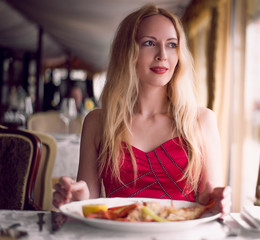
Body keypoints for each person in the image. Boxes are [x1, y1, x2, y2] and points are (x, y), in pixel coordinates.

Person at [53, 4, 231, 215]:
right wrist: (77, 196)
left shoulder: (202, 120)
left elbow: (208, 198)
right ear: (127, 52)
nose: (162, 55)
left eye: (172, 45)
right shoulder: (98, 121)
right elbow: (89, 199)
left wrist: (215, 200)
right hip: (117, 234)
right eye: (149, 43)